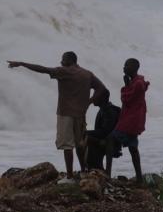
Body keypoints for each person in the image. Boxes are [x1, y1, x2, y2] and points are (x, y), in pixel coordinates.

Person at [8, 52, 106, 183]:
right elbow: (102, 88)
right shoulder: (87, 74)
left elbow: (42, 69)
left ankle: (70, 177)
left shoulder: (64, 71)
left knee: (67, 145)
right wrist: (89, 101)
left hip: (65, 113)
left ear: (68, 60)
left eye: (62, 59)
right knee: (80, 144)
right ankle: (83, 171)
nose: (60, 62)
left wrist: (21, 63)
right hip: (80, 114)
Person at [106, 58, 149, 183]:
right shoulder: (137, 82)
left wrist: (126, 85)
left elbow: (127, 99)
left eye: (126, 66)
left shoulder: (137, 84)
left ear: (133, 68)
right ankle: (139, 178)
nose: (123, 68)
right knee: (133, 148)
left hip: (131, 120)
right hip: (134, 120)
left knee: (110, 139)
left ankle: (107, 174)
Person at [84, 89, 121, 171]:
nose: (93, 98)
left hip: (110, 143)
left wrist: (86, 133)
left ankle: (95, 168)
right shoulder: (103, 109)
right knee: (84, 136)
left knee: (85, 137)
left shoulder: (110, 111)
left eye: (95, 96)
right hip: (104, 140)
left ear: (102, 99)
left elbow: (105, 132)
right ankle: (93, 167)